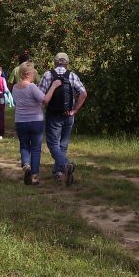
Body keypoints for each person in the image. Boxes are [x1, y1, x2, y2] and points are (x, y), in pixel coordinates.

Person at [38, 52, 88, 185]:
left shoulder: (48, 75)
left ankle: (65, 165)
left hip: (53, 114)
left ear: (54, 62)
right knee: (63, 145)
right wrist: (75, 110)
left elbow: (41, 96)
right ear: (67, 63)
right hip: (68, 114)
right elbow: (83, 93)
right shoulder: (72, 75)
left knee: (53, 144)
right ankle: (58, 171)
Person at [12, 62, 59, 185]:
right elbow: (45, 100)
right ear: (29, 73)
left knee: (24, 146)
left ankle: (26, 165)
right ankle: (34, 176)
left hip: (20, 121)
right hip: (35, 121)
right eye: (34, 72)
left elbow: (17, 103)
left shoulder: (15, 87)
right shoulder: (32, 87)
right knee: (36, 149)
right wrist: (53, 86)